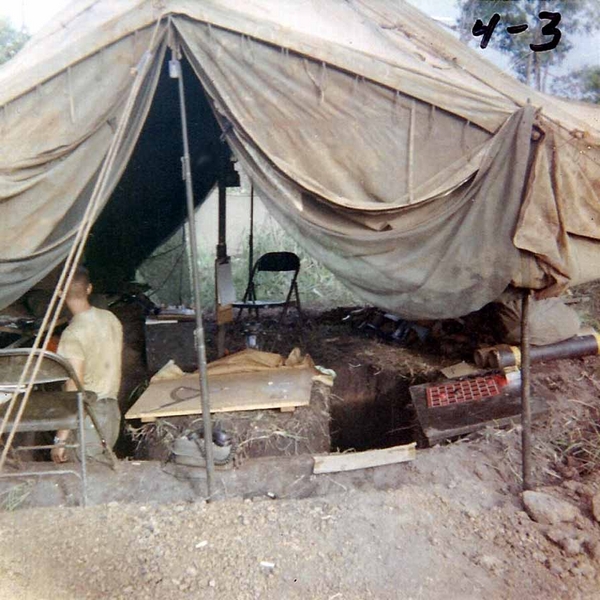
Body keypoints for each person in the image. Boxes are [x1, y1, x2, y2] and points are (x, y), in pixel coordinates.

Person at [51, 267, 123, 463]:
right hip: (112, 413)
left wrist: (60, 439)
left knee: (84, 476)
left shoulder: (72, 334)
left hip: (89, 418)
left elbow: (74, 385)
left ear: (59, 293)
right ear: (89, 288)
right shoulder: (111, 319)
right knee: (103, 470)